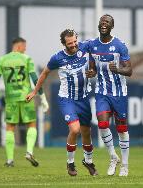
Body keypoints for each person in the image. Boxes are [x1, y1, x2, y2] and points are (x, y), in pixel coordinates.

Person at [26, 29, 98, 176]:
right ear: (64, 44)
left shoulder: (85, 48)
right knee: (75, 129)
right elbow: (45, 73)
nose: (73, 45)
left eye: (74, 41)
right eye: (69, 43)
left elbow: (95, 64)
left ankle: (88, 161)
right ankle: (70, 163)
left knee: (86, 133)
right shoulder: (57, 58)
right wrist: (35, 91)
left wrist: (93, 72)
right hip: (67, 99)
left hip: (83, 98)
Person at [0, 37, 49, 167]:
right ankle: (29, 152)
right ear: (19, 46)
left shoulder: (2, 60)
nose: (25, 50)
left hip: (11, 99)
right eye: (24, 47)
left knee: (10, 128)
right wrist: (42, 97)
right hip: (27, 98)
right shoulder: (26, 59)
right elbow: (35, 79)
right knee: (31, 125)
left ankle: (9, 160)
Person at [88, 14, 132, 176]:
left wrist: (118, 69)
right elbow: (93, 69)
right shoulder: (93, 45)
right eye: (101, 22)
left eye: (107, 22)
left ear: (112, 26)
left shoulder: (120, 45)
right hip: (102, 92)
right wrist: (90, 72)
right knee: (102, 124)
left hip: (119, 93)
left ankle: (125, 165)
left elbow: (129, 70)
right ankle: (113, 157)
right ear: (99, 25)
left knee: (121, 128)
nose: (104, 24)